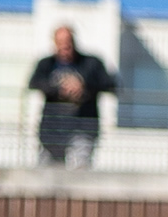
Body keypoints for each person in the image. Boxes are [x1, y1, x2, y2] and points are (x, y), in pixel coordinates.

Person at [23, 27, 115, 170]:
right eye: (60, 42)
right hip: (52, 131)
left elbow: (110, 85)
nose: (65, 46)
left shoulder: (92, 63)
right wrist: (60, 89)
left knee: (79, 172)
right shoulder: (46, 64)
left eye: (68, 41)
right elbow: (34, 83)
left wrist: (83, 86)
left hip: (82, 128)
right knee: (47, 174)